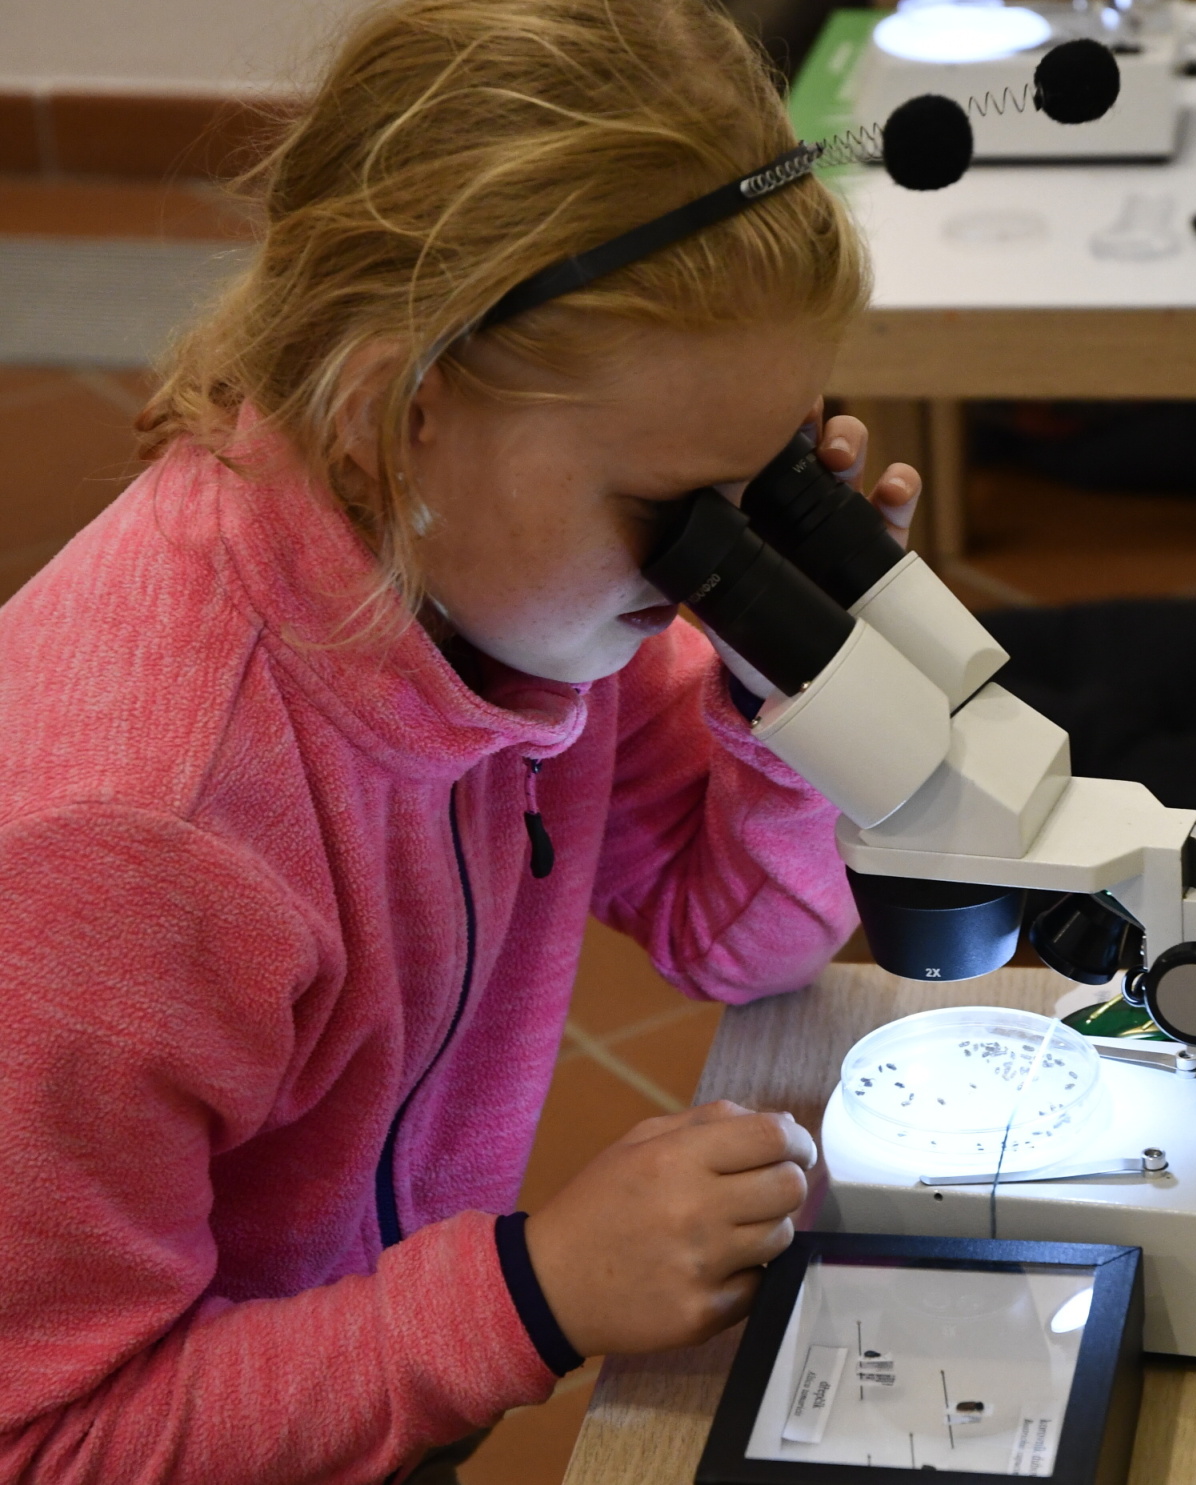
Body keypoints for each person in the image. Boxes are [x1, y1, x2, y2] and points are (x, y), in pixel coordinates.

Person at [0, 1, 922, 1481]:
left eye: (762, 495)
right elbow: (50, 1438)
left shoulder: (504, 588)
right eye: (673, 513)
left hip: (349, 1386)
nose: (715, 563)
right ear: (398, 412)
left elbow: (742, 944)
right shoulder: (135, 840)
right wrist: (525, 1296)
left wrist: (785, 694)